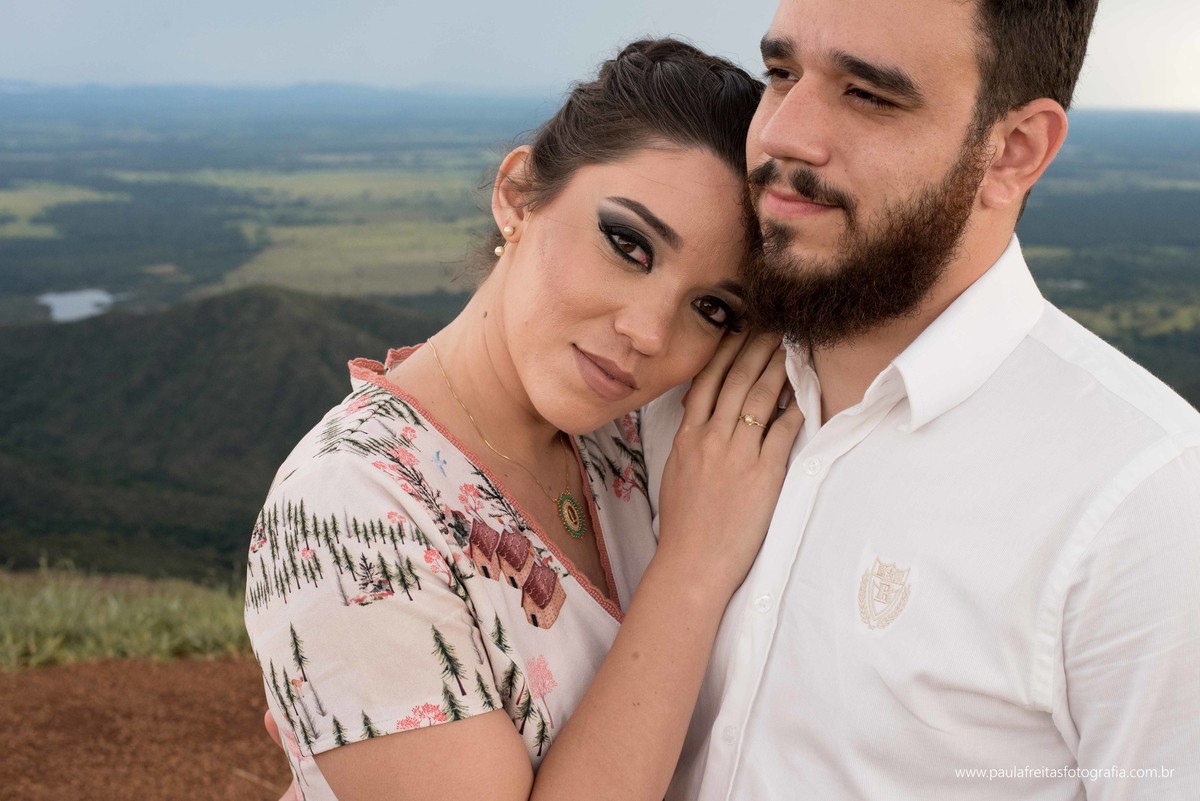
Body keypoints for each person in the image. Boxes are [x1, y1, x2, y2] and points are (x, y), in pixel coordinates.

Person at [637, 1, 1200, 799]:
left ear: (1013, 151)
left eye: (867, 93)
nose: (783, 134)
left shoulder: (1143, 503)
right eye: (781, 73)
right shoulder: (665, 387)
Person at [245, 39, 803, 801]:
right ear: (518, 193)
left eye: (711, 307)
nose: (649, 332)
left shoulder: (637, 434)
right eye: (627, 244)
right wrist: (695, 566)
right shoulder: (351, 507)